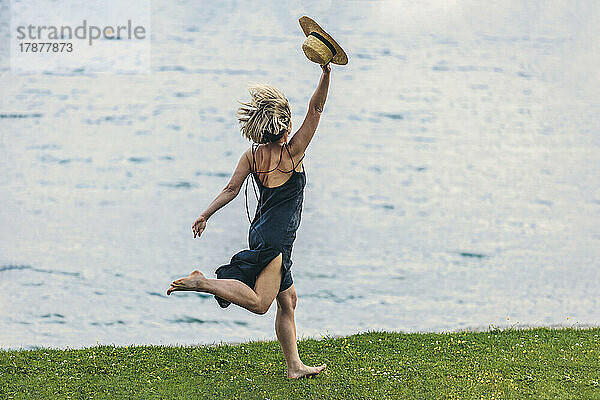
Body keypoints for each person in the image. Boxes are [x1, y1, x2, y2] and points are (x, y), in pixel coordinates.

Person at [167, 63, 331, 379]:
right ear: (285, 125)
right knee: (259, 303)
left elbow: (231, 189)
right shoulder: (293, 153)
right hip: (276, 240)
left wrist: (205, 214)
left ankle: (294, 366)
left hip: (260, 232)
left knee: (289, 301)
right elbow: (317, 108)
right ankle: (202, 282)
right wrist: (325, 73)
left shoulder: (252, 155)